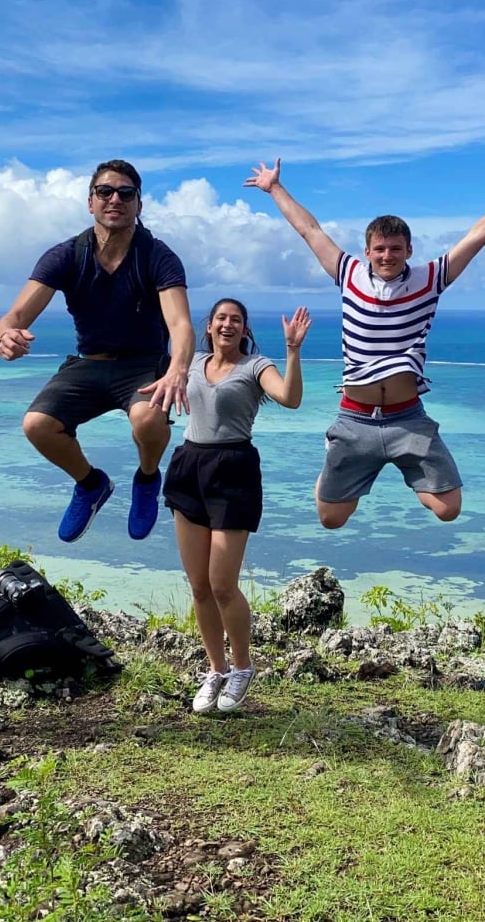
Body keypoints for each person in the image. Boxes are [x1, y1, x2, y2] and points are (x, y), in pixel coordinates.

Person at [245, 156, 485, 528]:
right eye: (379, 249)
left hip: (407, 417)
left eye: (395, 249)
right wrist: (274, 188)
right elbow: (310, 230)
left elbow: (479, 236)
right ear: (367, 251)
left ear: (408, 251)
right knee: (331, 518)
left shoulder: (430, 279)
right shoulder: (348, 273)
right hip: (355, 417)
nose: (387, 255)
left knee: (449, 509)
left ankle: (401, 468)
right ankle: (336, 451)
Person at [0, 160, 195, 543]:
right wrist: (7, 334)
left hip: (143, 365)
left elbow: (180, 324)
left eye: (126, 193)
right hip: (90, 363)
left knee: (148, 420)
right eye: (105, 192)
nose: (115, 199)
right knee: (36, 425)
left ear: (139, 204)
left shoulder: (157, 255)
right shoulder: (68, 255)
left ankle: (148, 478)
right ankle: (90, 484)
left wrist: (178, 370)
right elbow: (17, 313)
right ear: (91, 202)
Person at [168, 299, 311, 713]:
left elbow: (289, 397)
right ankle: (215, 670)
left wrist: (293, 351)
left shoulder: (256, 366)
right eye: (221, 319)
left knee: (222, 585)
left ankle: (243, 668)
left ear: (243, 329)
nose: (227, 325)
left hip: (233, 469)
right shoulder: (191, 361)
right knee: (198, 585)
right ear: (208, 326)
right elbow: (161, 380)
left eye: (236, 320)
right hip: (189, 465)